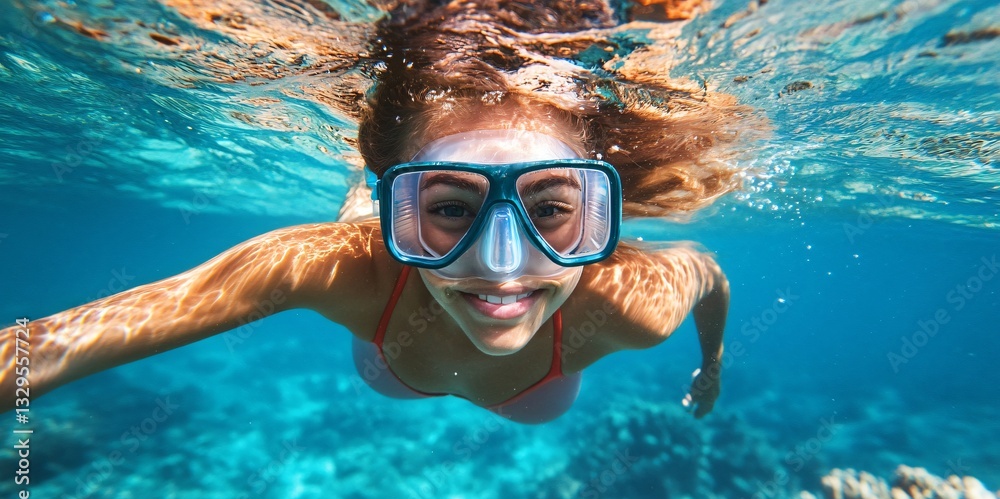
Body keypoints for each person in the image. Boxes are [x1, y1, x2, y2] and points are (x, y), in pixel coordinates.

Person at [0, 0, 742, 424]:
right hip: (396, 334)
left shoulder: (632, 306)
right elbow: (55, 344)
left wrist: (711, 367)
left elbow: (707, 277)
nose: (502, 265)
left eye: (550, 210)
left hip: (523, 384)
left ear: (596, 211)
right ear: (402, 206)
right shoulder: (336, 268)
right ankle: (374, 199)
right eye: (451, 208)